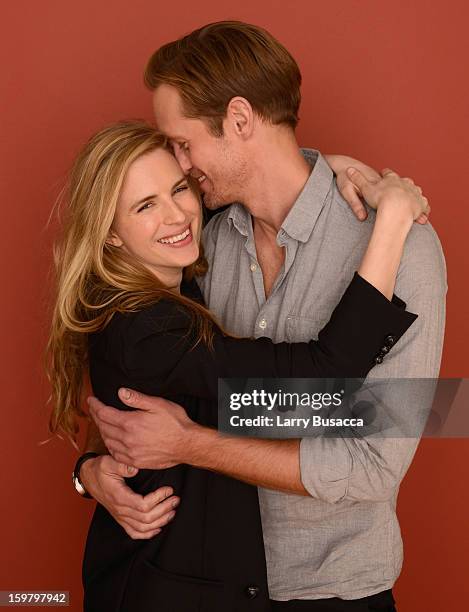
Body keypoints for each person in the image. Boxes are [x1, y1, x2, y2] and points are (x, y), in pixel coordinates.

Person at [85, 21, 447, 612]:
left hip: (336, 591)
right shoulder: (198, 237)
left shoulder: (403, 249)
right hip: (204, 585)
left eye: (181, 142)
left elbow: (377, 460)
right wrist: (91, 468)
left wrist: (192, 442)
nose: (177, 165)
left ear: (240, 119)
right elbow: (151, 378)